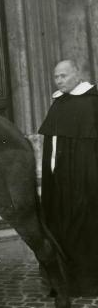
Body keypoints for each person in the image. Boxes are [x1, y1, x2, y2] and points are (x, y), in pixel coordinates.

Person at [39, 59, 98, 296]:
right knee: (60, 228)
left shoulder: (93, 103)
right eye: (56, 77)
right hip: (59, 182)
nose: (59, 80)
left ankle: (88, 283)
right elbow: (52, 144)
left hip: (87, 182)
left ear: (77, 75)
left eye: (63, 76)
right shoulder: (58, 103)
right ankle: (64, 282)